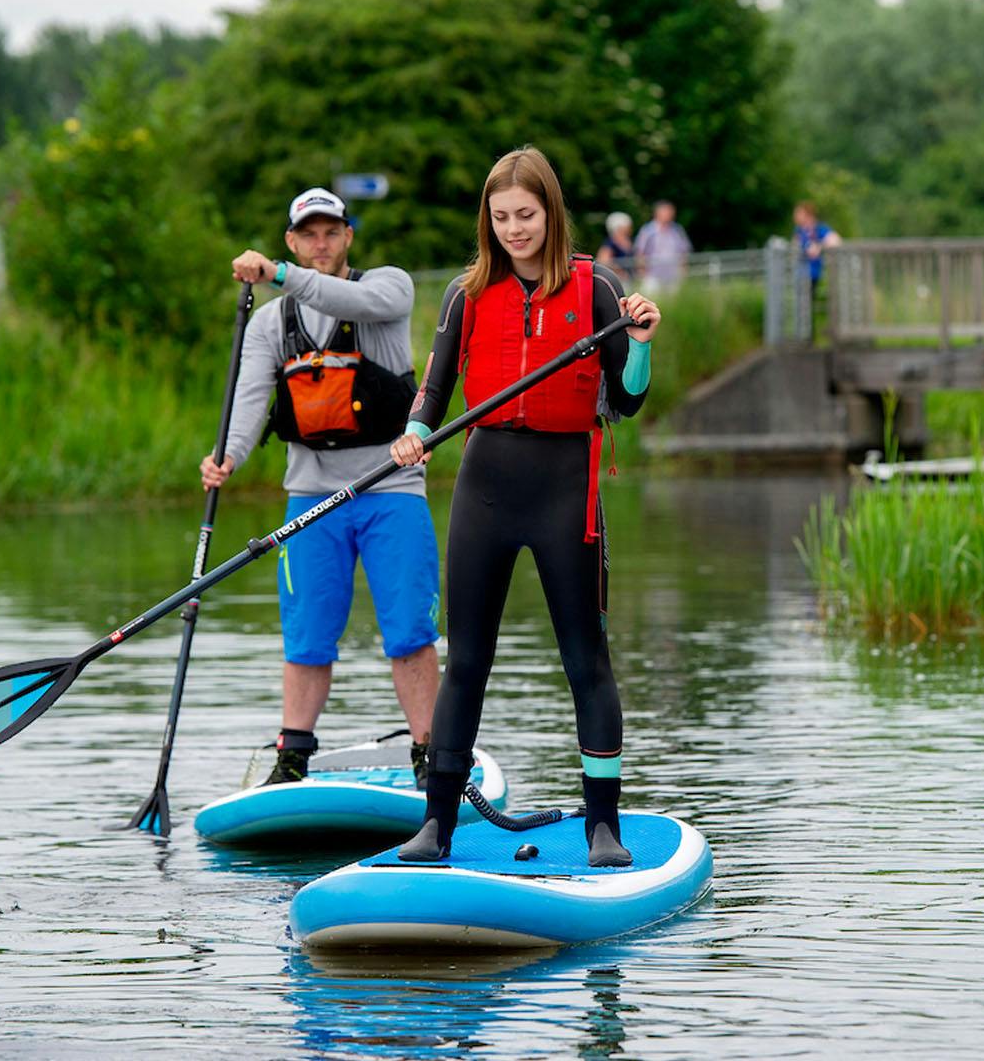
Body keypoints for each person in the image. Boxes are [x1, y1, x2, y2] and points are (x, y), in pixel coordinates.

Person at [388, 146, 661, 867]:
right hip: (485, 485)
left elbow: (627, 400)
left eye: (526, 215)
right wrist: (417, 434)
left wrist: (639, 343)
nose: (514, 229)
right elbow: (436, 388)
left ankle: (604, 827)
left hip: (566, 487)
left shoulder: (597, 288)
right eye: (501, 216)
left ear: (551, 213)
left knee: (585, 660)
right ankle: (436, 826)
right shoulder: (467, 293)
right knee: (467, 660)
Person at [202, 187, 440, 787]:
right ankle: (294, 756)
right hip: (312, 498)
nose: (321, 244)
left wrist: (280, 274)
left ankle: (430, 751)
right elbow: (251, 399)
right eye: (308, 234)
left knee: (409, 630)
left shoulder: (387, 290)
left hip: (391, 489)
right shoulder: (269, 323)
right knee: (307, 634)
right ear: (294, 240)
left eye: (331, 232)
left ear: (347, 237)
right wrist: (226, 457)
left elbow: (336, 294)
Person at [632, 199, 692, 294]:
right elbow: (640, 252)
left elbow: (684, 252)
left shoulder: (677, 230)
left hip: (673, 275)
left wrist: (683, 270)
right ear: (657, 213)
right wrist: (642, 272)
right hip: (652, 275)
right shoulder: (648, 231)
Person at [595, 211, 635, 282]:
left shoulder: (628, 241)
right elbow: (603, 261)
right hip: (617, 279)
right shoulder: (610, 243)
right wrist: (619, 270)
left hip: (630, 280)